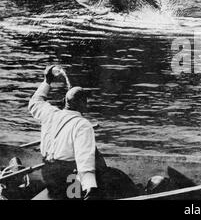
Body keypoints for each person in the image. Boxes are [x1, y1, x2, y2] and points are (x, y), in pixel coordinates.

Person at [28, 65, 139, 200]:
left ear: (65, 102)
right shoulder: (83, 125)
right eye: (85, 102)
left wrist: (47, 81)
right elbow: (84, 160)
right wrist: (90, 189)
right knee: (116, 176)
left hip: (47, 174)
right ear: (83, 104)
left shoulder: (50, 113)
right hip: (69, 177)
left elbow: (35, 102)